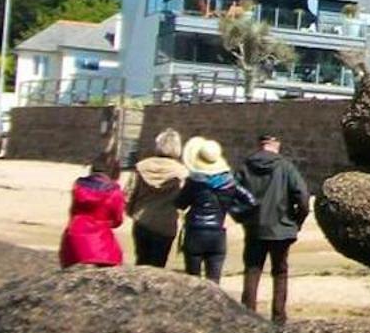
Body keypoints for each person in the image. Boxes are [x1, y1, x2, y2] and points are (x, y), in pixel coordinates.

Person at [237, 134, 310, 322]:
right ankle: (278, 317)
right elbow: (302, 195)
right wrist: (296, 220)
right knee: (280, 272)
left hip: (254, 227)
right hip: (281, 227)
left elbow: (233, 194)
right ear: (276, 145)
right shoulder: (286, 167)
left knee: (252, 270)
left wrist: (242, 217)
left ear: (260, 145)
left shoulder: (246, 166)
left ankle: (248, 315)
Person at [176, 136, 249, 285]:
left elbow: (180, 203)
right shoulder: (229, 183)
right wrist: (234, 212)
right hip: (217, 233)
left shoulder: (194, 183)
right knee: (214, 282)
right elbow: (251, 201)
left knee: (192, 281)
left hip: (195, 232)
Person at [125, 129, 190, 268]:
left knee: (141, 262)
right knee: (158, 267)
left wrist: (131, 212)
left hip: (141, 221)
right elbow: (185, 201)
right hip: (165, 225)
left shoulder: (141, 167)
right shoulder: (182, 172)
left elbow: (129, 193)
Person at [59, 149, 126, 268]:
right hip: (101, 245)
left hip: (73, 239)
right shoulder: (114, 191)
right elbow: (117, 220)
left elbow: (72, 211)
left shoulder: (79, 186)